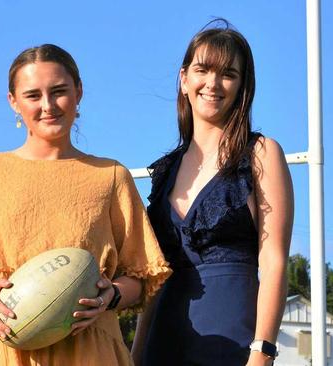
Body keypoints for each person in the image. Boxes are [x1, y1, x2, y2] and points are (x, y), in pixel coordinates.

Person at [0, 44, 171, 366]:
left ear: (78, 92)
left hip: (87, 350)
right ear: (13, 102)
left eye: (59, 91)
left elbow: (140, 274)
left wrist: (112, 295)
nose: (48, 105)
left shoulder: (112, 176)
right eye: (33, 95)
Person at [131, 20, 294, 366]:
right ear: (184, 78)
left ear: (241, 85)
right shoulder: (164, 171)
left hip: (233, 345)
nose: (213, 83)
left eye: (228, 74)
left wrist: (262, 352)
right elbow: (154, 278)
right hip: (161, 343)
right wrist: (134, 355)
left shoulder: (262, 153)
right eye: (202, 69)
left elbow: (274, 260)